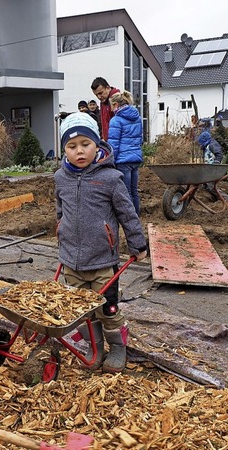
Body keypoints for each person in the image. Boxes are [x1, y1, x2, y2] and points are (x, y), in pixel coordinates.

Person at [54, 112, 148, 373]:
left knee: (107, 309)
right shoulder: (60, 177)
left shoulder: (110, 178)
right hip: (71, 260)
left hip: (102, 261)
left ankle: (117, 348)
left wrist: (137, 244)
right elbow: (60, 210)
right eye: (72, 147)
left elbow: (127, 212)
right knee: (81, 310)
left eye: (86, 144)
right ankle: (94, 349)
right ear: (64, 150)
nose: (79, 151)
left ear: (98, 145)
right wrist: (61, 230)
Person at [108, 90, 143, 215]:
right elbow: (140, 139)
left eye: (111, 106)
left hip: (123, 160)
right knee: (134, 191)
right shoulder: (137, 118)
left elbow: (114, 144)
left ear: (116, 105)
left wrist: (111, 161)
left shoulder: (116, 121)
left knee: (126, 191)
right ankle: (137, 216)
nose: (111, 109)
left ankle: (130, 219)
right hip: (135, 159)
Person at [198, 131, 228, 201]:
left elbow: (219, 154)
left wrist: (216, 163)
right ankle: (214, 197)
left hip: (215, 169)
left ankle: (225, 198)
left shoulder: (212, 144)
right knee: (206, 185)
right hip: (210, 169)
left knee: (211, 185)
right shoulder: (206, 147)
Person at [90, 77, 120, 141]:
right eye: (96, 95)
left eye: (100, 93)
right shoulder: (104, 102)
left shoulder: (117, 101)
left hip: (117, 143)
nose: (99, 97)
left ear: (108, 88)